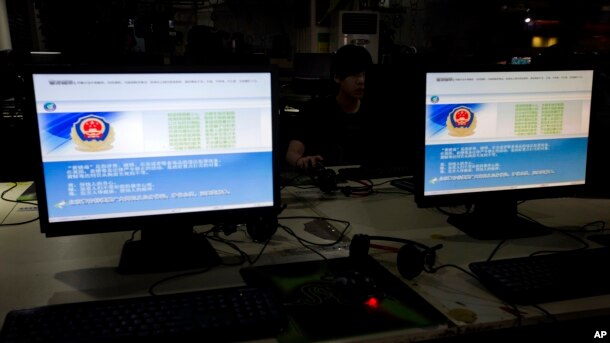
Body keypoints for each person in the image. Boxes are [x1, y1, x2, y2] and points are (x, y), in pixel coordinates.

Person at [285, 44, 374, 169]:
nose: (361, 81)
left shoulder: (374, 111)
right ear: (337, 77)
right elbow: (292, 152)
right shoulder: (315, 110)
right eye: (354, 74)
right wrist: (301, 161)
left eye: (364, 74)